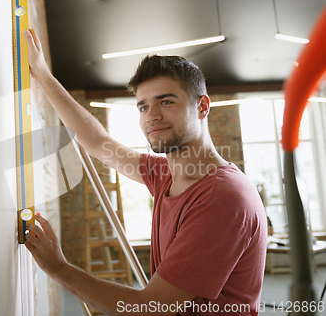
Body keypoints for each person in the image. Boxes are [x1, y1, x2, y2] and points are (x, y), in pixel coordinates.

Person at [22, 29, 267, 316]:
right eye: (143, 106)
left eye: (166, 101)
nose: (151, 115)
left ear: (201, 107)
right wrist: (44, 76)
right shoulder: (167, 174)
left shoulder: (221, 199)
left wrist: (58, 268)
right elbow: (100, 144)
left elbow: (151, 308)